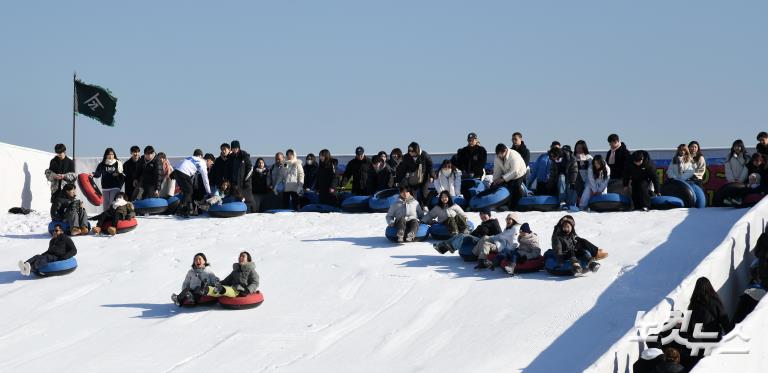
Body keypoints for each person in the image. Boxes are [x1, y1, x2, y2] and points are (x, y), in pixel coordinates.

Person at [683, 277, 734, 367]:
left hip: (697, 343)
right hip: (713, 340)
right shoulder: (715, 302)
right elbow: (724, 321)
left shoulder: (692, 304)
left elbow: (687, 326)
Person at [433, 208, 501, 255]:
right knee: (460, 235)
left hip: (483, 241)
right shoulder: (483, 224)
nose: (482, 216)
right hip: (477, 239)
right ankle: (442, 247)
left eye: (484, 214)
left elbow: (499, 234)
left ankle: (452, 247)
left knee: (463, 236)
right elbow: (474, 233)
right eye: (481, 215)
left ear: (489, 215)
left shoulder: (494, 222)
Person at [172, 150, 213, 217]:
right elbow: (205, 180)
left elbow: (182, 162)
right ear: (208, 160)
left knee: (188, 191)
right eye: (211, 163)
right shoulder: (203, 163)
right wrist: (209, 192)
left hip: (177, 171)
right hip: (183, 172)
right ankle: (180, 210)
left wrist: (173, 172)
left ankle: (189, 209)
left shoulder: (192, 157)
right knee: (189, 191)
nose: (210, 165)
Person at [396, 142, 434, 207]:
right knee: (412, 193)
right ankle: (414, 206)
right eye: (409, 150)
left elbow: (430, 164)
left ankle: (426, 206)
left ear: (417, 150)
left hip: (423, 177)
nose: (410, 152)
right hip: (413, 178)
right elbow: (402, 169)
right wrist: (398, 180)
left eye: (412, 151)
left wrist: (431, 175)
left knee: (424, 193)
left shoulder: (424, 155)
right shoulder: (406, 157)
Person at [492, 143, 528, 210]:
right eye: (498, 155)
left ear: (505, 151)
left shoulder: (513, 155)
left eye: (501, 155)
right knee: (497, 186)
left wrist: (503, 179)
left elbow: (515, 171)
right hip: (507, 173)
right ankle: (501, 204)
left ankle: (514, 206)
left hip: (519, 173)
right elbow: (497, 170)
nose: (500, 157)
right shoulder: (497, 157)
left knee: (515, 186)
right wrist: (495, 180)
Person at [45, 143, 76, 215]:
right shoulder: (53, 161)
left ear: (64, 151)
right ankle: (55, 224)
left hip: (67, 190)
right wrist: (54, 176)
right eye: (57, 153)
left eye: (60, 153)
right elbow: (49, 174)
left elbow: (74, 176)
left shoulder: (70, 162)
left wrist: (64, 176)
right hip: (55, 189)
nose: (59, 154)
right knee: (55, 209)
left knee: (66, 209)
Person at [92, 147, 125, 212]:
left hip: (115, 187)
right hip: (105, 187)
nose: (110, 156)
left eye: (112, 154)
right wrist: (93, 174)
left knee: (112, 204)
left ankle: (112, 219)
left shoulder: (118, 163)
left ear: (114, 155)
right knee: (105, 206)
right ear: (106, 155)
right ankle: (106, 220)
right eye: (109, 154)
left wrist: (118, 174)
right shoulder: (102, 164)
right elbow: (98, 174)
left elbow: (122, 175)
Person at [229, 140, 256, 213]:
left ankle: (252, 213)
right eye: (233, 148)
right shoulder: (231, 157)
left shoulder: (244, 155)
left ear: (239, 148)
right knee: (237, 200)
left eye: (236, 148)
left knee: (248, 200)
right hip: (235, 184)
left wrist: (246, 180)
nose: (235, 150)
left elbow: (250, 168)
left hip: (244, 183)